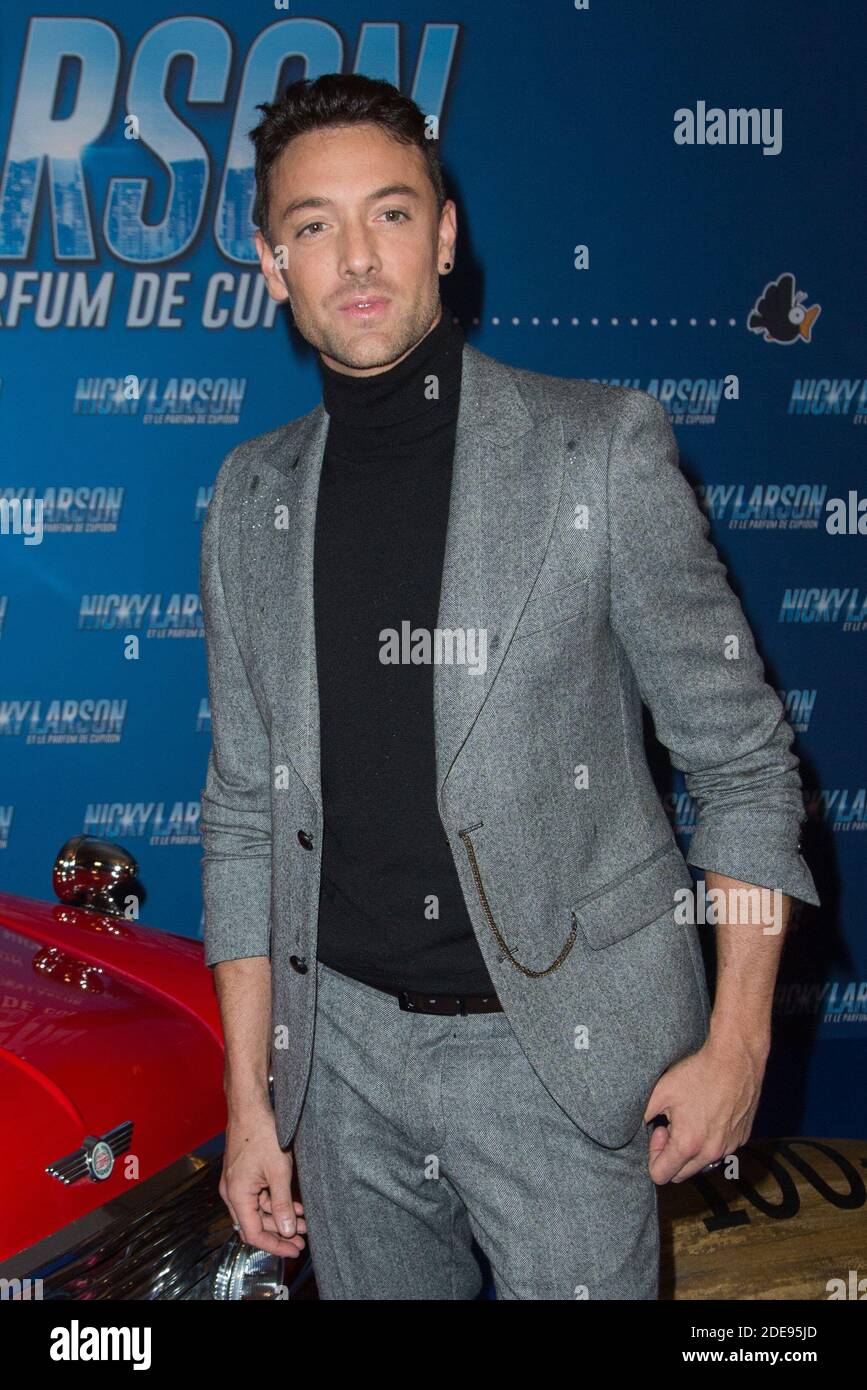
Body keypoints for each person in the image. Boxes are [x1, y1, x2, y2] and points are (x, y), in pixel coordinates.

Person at [199, 73, 820, 1300]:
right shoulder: (248, 496)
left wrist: (739, 1039)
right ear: (276, 267)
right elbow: (241, 814)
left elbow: (745, 765)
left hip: (561, 1060)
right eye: (314, 226)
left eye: (389, 211)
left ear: (443, 233)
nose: (357, 256)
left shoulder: (600, 447)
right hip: (344, 1069)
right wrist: (252, 1096)